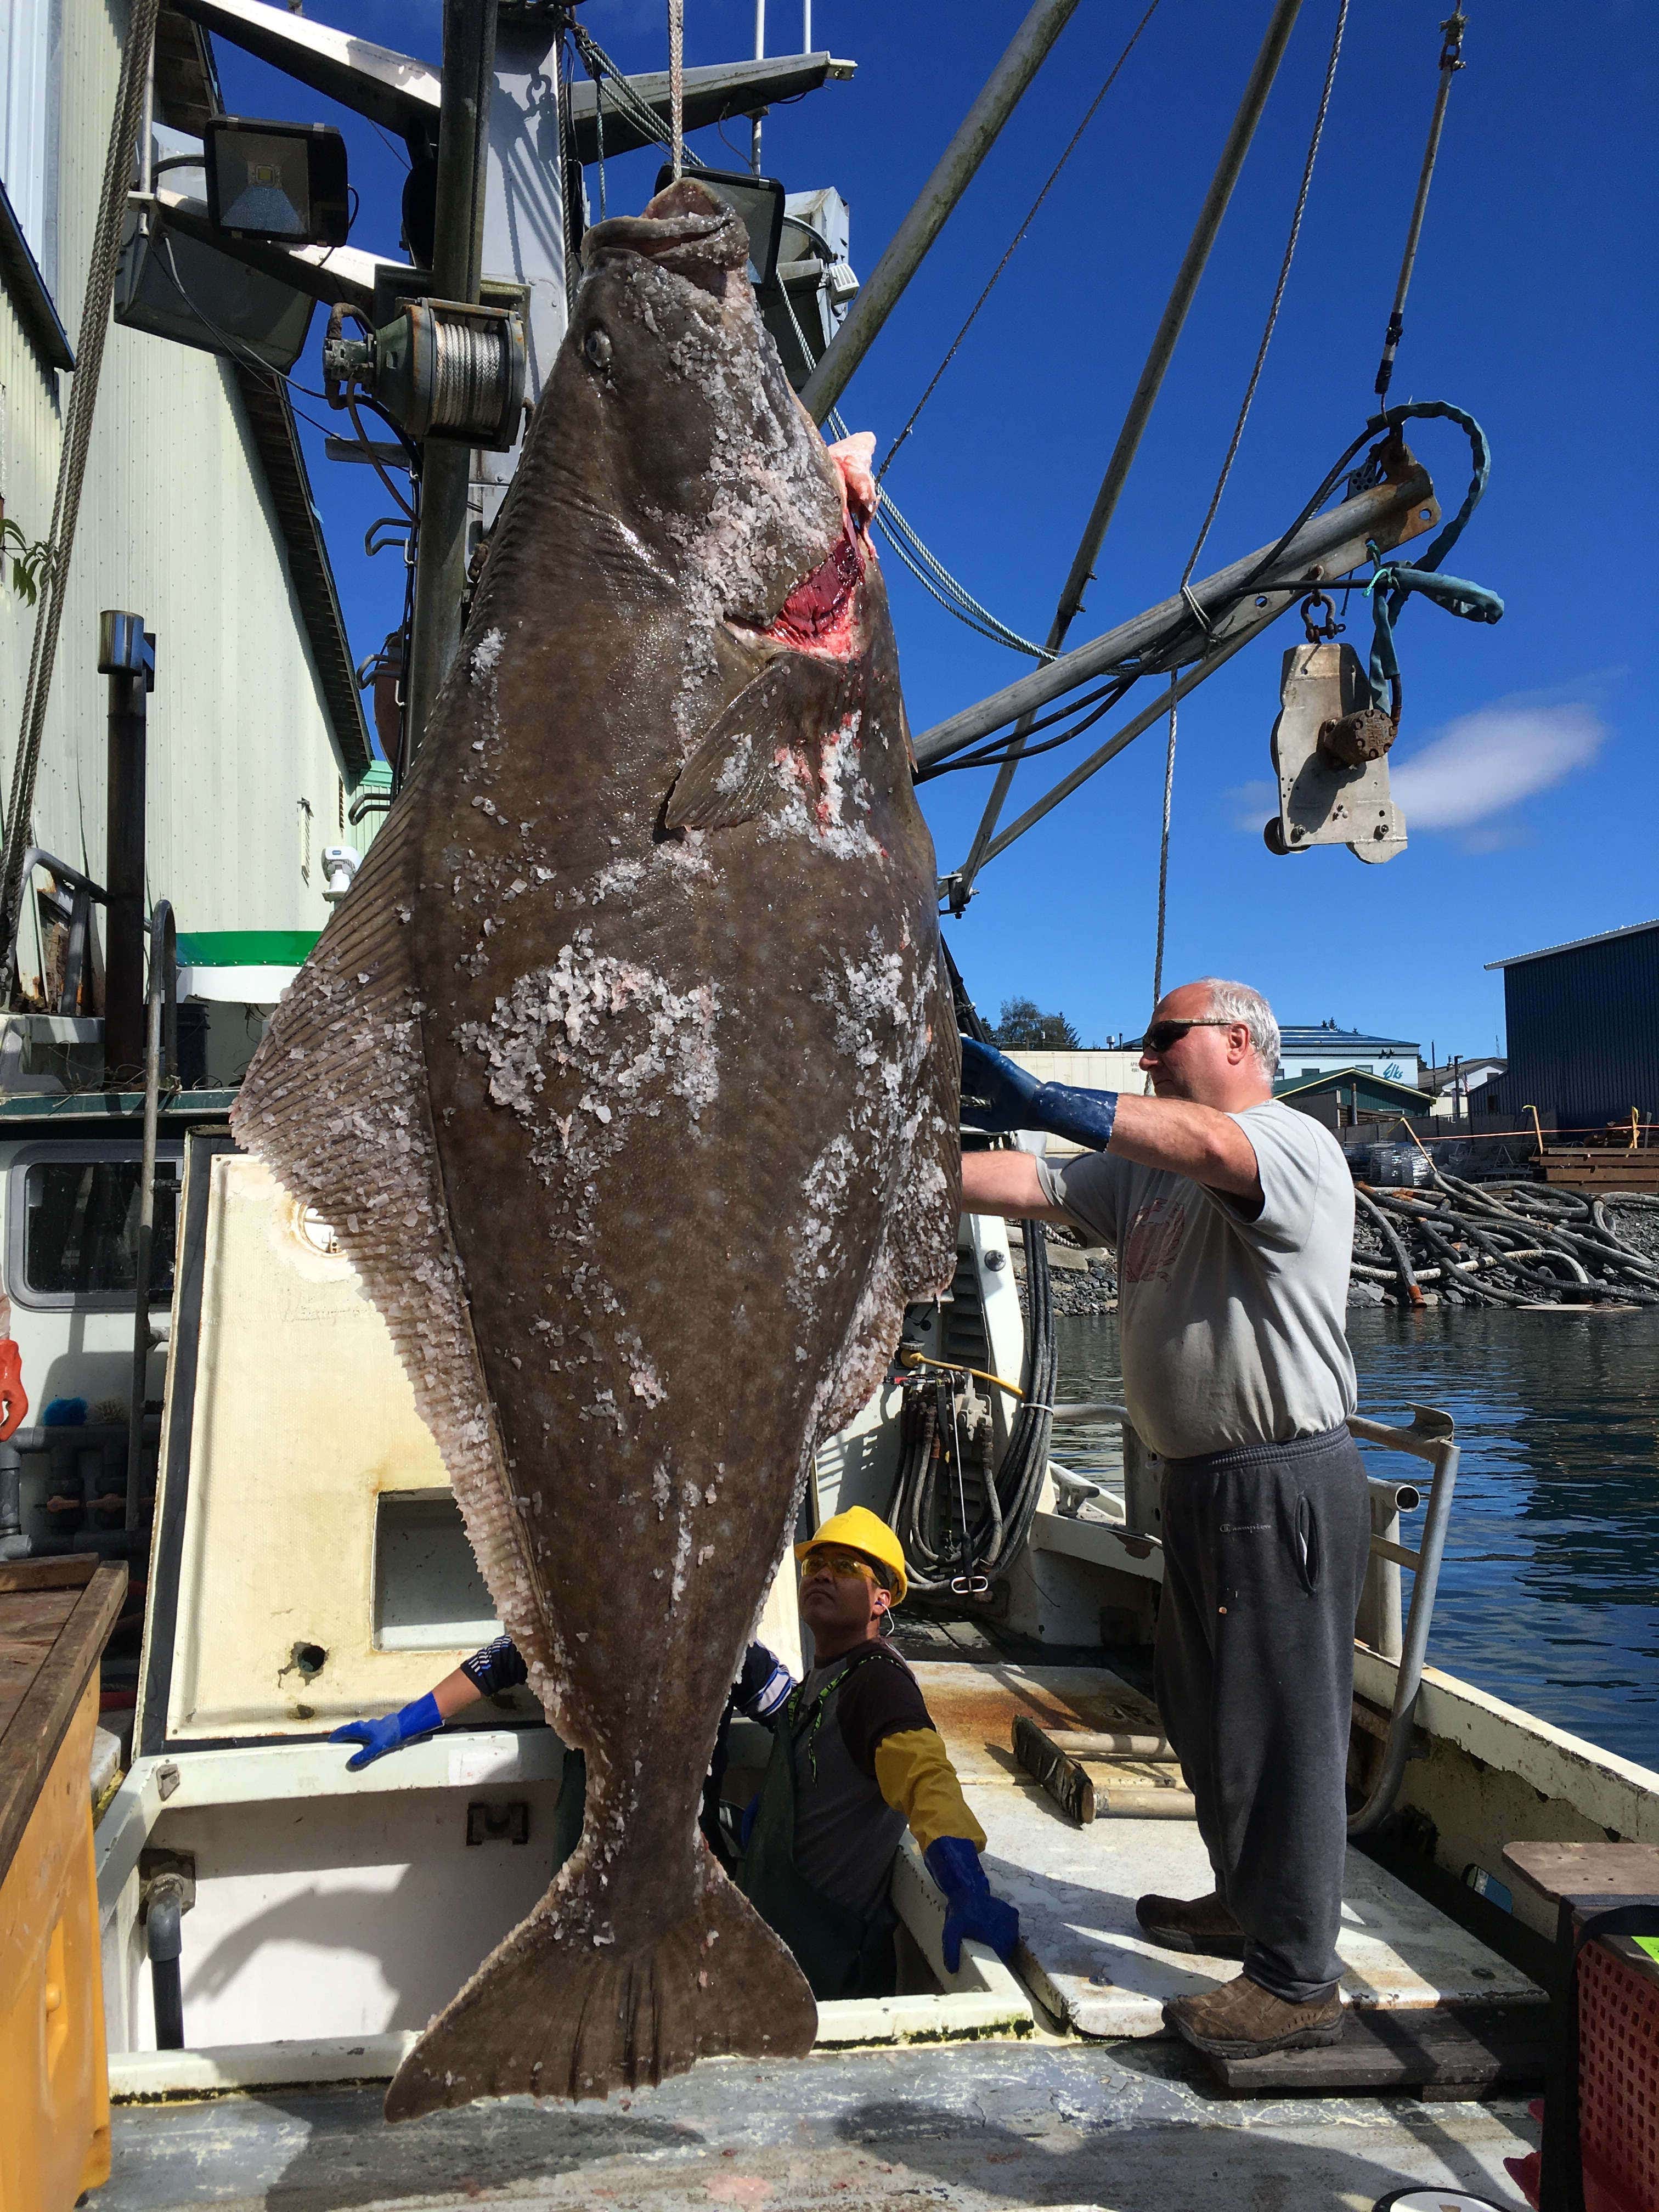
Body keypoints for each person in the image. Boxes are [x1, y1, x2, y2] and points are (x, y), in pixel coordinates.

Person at [958, 977, 1365, 2060]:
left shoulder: (1288, 1144)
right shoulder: (1146, 1178)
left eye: (1160, 1040)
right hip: (1198, 1485)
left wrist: (1045, 1091)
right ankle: (1250, 1899)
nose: (1142, 1059)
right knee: (1209, 1718)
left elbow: (1208, 1151)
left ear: (1238, 1040)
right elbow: (1033, 1182)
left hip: (1276, 1482)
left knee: (1280, 1730)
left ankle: (1298, 1979)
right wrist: (868, 1171)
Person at [331, 1504, 1017, 2004]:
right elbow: (498, 1663)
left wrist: (960, 1880)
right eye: (819, 1565)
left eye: (847, 1568)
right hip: (588, 1849)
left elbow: (811, 1730)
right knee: (589, 1973)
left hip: (684, 1864)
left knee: (659, 1984)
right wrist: (407, 1721)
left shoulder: (739, 1652)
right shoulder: (581, 1625)